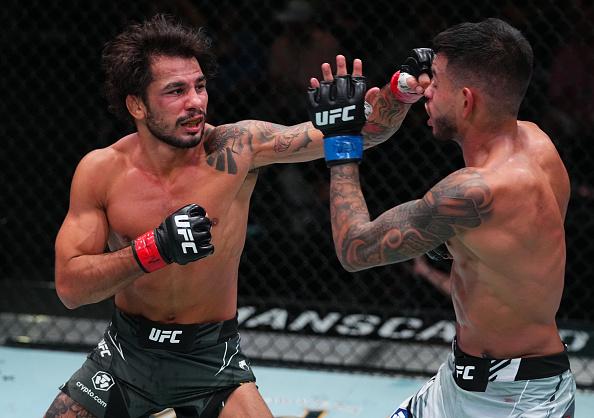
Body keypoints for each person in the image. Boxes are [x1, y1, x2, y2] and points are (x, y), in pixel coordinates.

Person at [44, 14, 427, 418]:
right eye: (175, 91)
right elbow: (71, 288)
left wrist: (398, 92)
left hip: (212, 358)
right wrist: (154, 249)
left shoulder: (238, 147)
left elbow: (363, 131)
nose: (195, 102)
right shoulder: (102, 171)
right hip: (126, 355)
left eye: (200, 86)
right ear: (137, 104)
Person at [307, 18, 576, 418]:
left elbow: (354, 248)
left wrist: (341, 141)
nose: (427, 92)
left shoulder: (474, 192)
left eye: (437, 84)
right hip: (460, 381)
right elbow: (518, 249)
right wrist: (398, 92)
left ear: (467, 101)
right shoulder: (536, 143)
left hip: (517, 401)